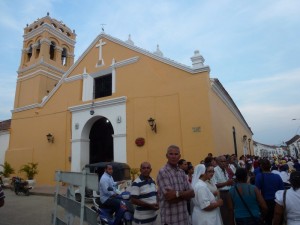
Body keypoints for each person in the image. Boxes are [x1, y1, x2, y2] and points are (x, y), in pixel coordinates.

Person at [156, 145, 195, 225]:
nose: (173, 156)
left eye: (176, 154)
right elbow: (169, 198)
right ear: (166, 156)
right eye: (171, 154)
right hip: (170, 220)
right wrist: (185, 195)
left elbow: (192, 193)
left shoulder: (181, 172)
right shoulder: (163, 172)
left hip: (184, 219)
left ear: (179, 156)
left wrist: (176, 194)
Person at [255, 159, 284, 225]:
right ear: (270, 166)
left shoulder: (259, 176)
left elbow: (257, 191)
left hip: (265, 202)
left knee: (267, 221)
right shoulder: (277, 176)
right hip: (277, 202)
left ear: (261, 167)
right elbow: (282, 191)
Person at [213, 155, 234, 225]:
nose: (223, 163)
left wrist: (230, 182)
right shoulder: (215, 170)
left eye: (225, 161)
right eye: (221, 161)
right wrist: (226, 183)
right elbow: (215, 184)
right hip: (222, 194)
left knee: (230, 211)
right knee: (224, 213)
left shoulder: (225, 169)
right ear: (217, 162)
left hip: (229, 192)